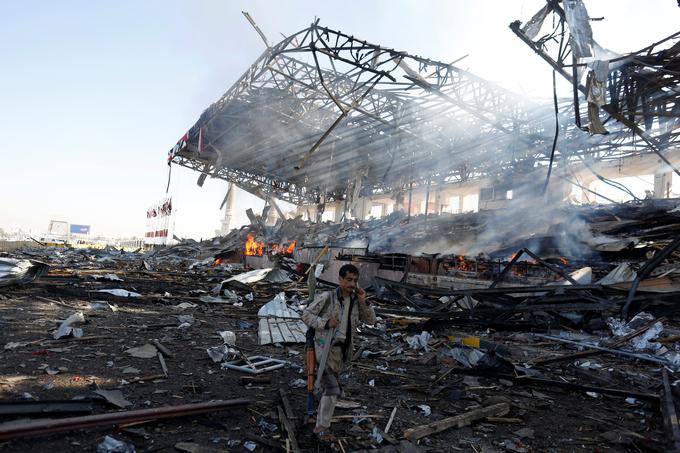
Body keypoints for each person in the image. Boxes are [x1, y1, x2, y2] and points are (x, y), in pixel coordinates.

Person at [301, 263, 376, 440]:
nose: (352, 284)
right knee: (333, 389)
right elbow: (306, 315)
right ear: (340, 279)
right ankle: (321, 429)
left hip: (341, 353)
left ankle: (314, 414)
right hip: (323, 350)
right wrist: (325, 323)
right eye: (348, 280)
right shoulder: (327, 297)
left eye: (355, 280)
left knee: (327, 388)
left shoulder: (356, 301)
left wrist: (365, 300)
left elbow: (372, 321)